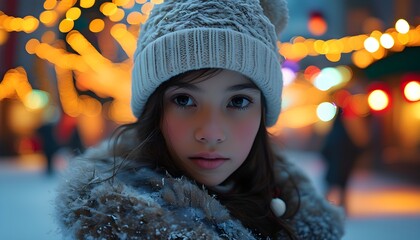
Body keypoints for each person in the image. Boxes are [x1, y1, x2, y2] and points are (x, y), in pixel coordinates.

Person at [55, 0, 344, 239]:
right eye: (184, 100)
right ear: (154, 110)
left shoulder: (298, 213)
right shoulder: (118, 225)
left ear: (264, 112)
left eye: (238, 101)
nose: (211, 132)